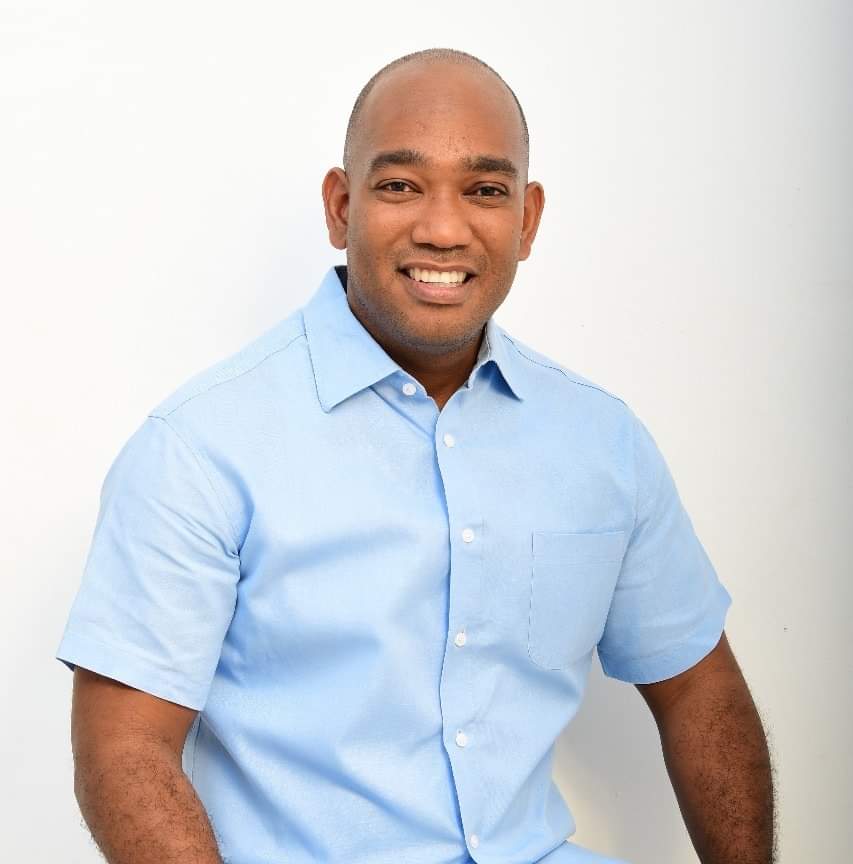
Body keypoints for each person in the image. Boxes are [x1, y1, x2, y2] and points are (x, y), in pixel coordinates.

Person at [56, 47, 774, 864]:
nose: (442, 228)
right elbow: (125, 750)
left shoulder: (601, 440)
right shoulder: (199, 447)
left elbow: (699, 689)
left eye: (485, 191)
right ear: (341, 207)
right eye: (400, 185)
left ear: (527, 220)